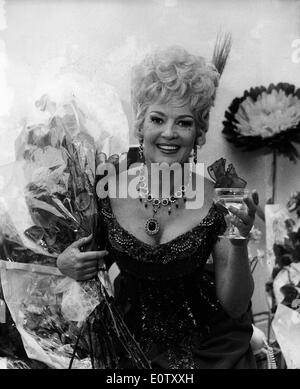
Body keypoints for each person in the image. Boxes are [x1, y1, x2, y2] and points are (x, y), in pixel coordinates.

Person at [57, 46, 258, 368]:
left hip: (209, 348)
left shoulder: (220, 199)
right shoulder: (104, 190)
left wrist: (239, 239)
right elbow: (81, 258)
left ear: (198, 134)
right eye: (157, 119)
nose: (169, 133)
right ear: (140, 125)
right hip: (127, 342)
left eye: (183, 122)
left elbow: (234, 306)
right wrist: (64, 262)